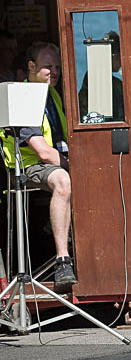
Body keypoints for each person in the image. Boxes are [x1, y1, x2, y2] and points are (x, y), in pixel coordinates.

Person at [0, 42, 75, 287]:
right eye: (47, 67)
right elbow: (43, 152)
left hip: (50, 161)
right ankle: (63, 261)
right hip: (26, 167)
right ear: (31, 66)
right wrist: (72, 166)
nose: (53, 72)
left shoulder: (51, 93)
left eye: (56, 67)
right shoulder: (23, 96)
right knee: (63, 181)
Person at [78, 30, 124, 122]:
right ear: (113, 56)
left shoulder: (116, 83)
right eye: (120, 57)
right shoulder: (94, 79)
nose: (121, 62)